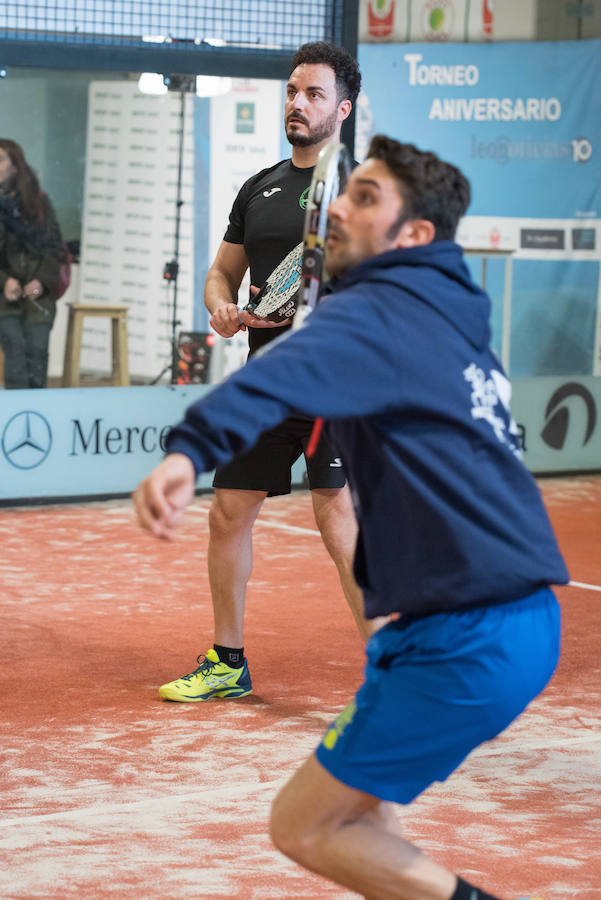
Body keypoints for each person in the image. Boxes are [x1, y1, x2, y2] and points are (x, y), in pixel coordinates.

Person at [134, 135, 568, 900]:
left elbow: (279, 374)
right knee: (366, 818)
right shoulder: (447, 305)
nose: (334, 206)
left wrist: (187, 452)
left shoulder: (374, 312)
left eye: (365, 197)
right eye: (346, 190)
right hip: (483, 622)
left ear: (413, 234)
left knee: (305, 827)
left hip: (469, 636)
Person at [155, 41, 384, 704]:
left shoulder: (363, 191)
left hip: (339, 386)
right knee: (228, 512)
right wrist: (221, 307)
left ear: (343, 109)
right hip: (267, 381)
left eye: (314, 94)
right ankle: (227, 662)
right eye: (292, 91)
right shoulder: (261, 187)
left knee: (338, 521)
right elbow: (221, 272)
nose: (297, 103)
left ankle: (395, 682)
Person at [0, 138, 64, 389]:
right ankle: (17, 409)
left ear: (15, 166)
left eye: (0, 160)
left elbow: (55, 250)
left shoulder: (39, 204)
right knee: (15, 348)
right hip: (4, 296)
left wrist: (41, 282)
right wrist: (5, 282)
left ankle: (38, 409)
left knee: (37, 350)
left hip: (38, 296)